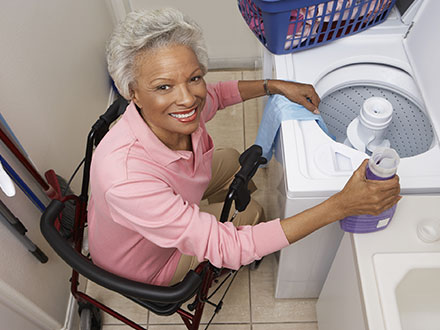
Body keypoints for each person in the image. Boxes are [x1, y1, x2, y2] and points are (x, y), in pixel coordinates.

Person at [87, 8, 401, 286]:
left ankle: (202, 216)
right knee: (252, 212)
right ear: (134, 94)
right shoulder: (126, 179)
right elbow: (231, 247)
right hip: (148, 261)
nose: (187, 98)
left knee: (230, 160)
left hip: (169, 198)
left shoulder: (174, 112)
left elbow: (218, 95)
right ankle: (211, 224)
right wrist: (341, 205)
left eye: (194, 78)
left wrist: (273, 86)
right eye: (163, 86)